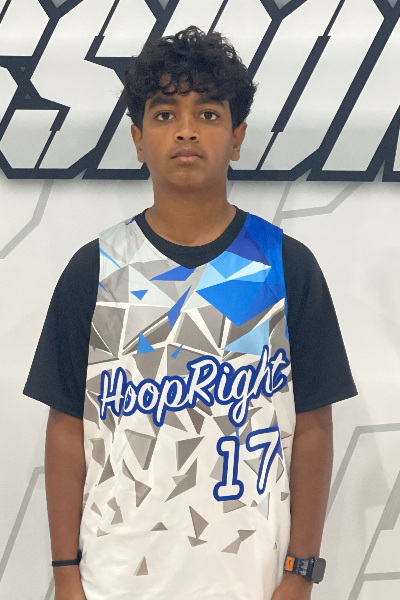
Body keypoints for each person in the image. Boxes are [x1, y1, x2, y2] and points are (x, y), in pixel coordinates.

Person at [23, 25, 358, 600]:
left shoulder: (285, 266)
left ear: (237, 136)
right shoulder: (95, 269)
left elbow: (312, 428)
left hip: (251, 580)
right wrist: (65, 573)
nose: (185, 129)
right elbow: (66, 428)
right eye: (164, 114)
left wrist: (300, 571)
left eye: (207, 113)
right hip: (115, 581)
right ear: (137, 138)